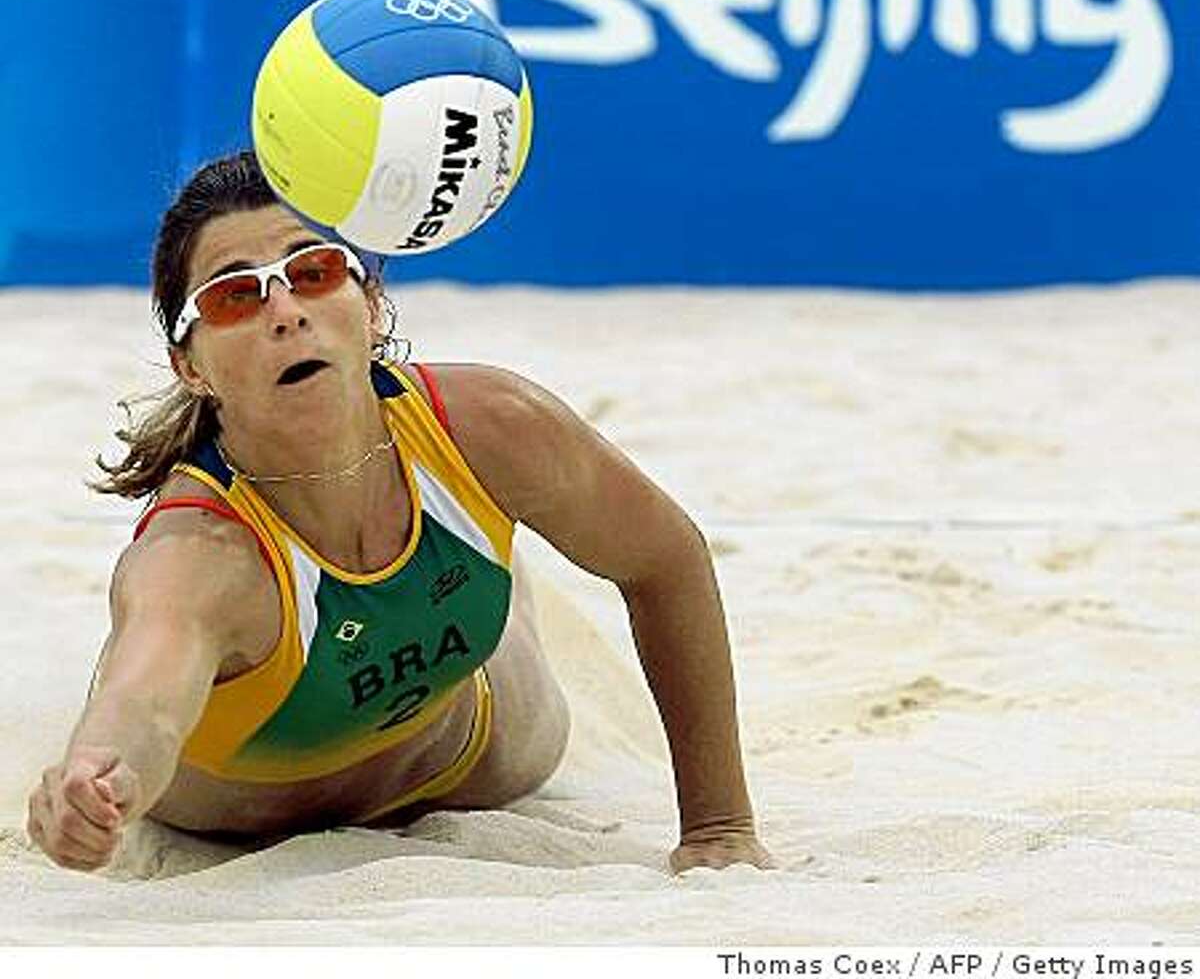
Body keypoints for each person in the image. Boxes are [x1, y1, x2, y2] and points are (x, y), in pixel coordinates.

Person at [26, 151, 773, 876]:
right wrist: (93, 776)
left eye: (314, 272)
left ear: (372, 305)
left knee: (499, 555)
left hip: (468, 763)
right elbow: (144, 710)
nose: (285, 312)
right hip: (240, 822)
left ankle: (474, 563)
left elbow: (666, 559)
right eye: (234, 296)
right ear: (190, 366)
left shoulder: (493, 424)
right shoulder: (198, 554)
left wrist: (719, 827)